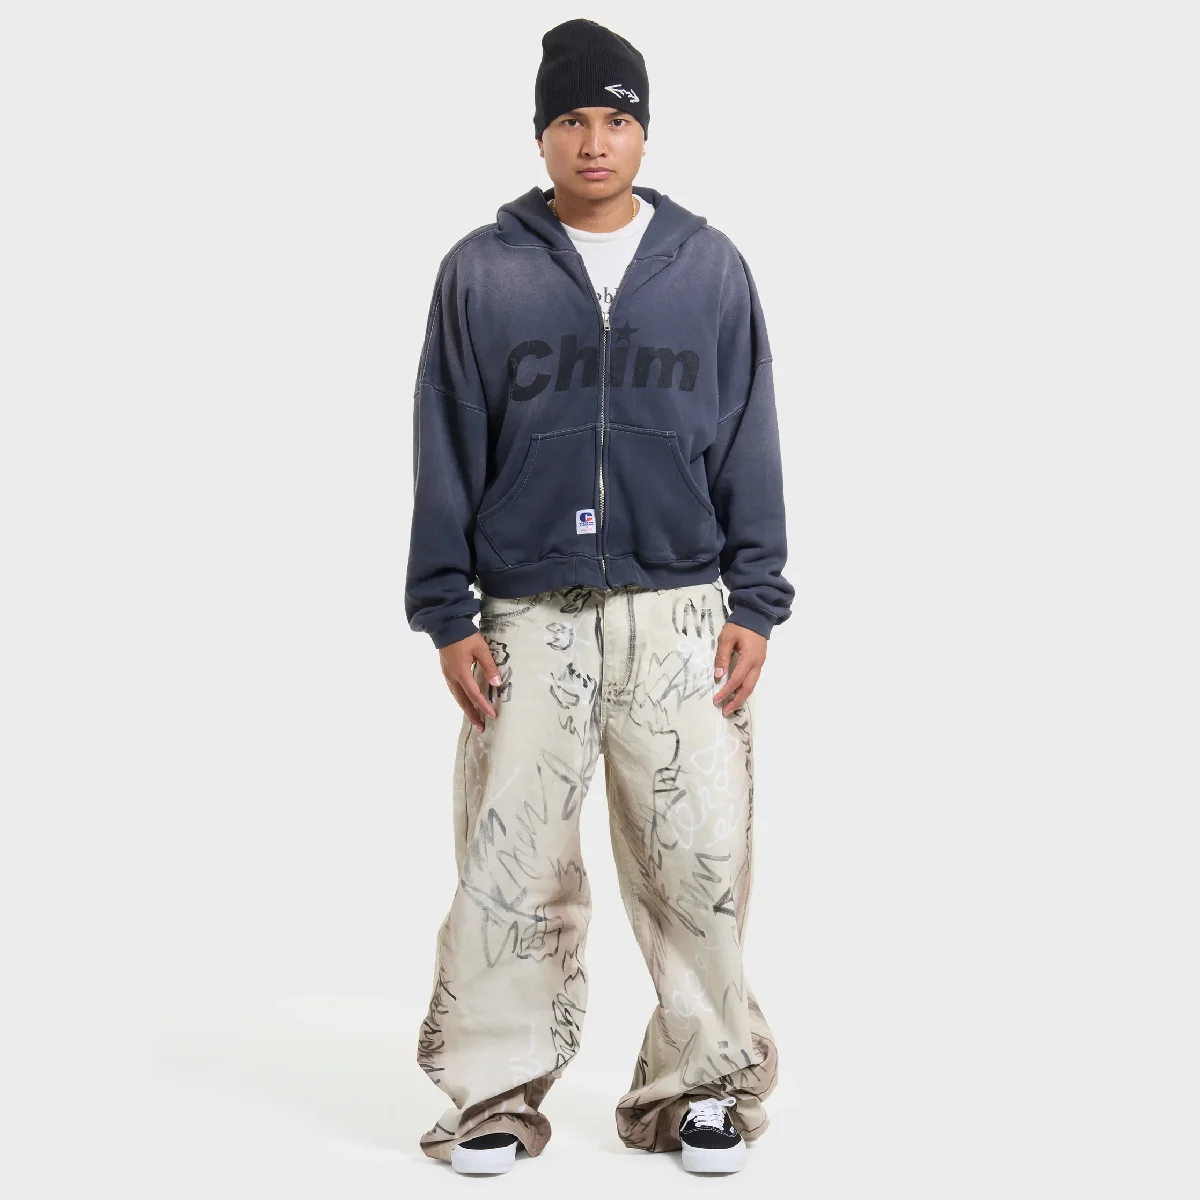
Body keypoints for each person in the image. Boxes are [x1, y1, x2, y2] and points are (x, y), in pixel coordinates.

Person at [405, 18, 793, 1176]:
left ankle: (704, 1085)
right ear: (541, 133)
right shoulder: (483, 271)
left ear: (643, 132)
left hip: (680, 613)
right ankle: (490, 1095)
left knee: (698, 858)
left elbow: (750, 432)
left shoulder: (708, 268)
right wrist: (447, 610)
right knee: (510, 863)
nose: (593, 140)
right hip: (528, 617)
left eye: (615, 119)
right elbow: (444, 441)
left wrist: (756, 599)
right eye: (571, 118)